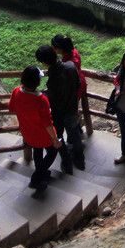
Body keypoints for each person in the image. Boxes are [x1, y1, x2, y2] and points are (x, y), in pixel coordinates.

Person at [8, 67, 62, 193]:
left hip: (28, 132)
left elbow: (12, 108)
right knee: (53, 151)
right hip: (44, 135)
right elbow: (48, 124)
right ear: (37, 82)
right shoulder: (41, 100)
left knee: (37, 151)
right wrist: (55, 139)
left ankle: (41, 176)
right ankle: (37, 176)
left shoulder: (16, 91)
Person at [35, 45, 84, 173]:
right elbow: (78, 84)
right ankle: (80, 159)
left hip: (59, 113)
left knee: (59, 136)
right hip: (72, 108)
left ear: (44, 62)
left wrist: (43, 93)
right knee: (75, 135)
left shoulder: (54, 77)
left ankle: (67, 162)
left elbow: (52, 98)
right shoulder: (70, 66)